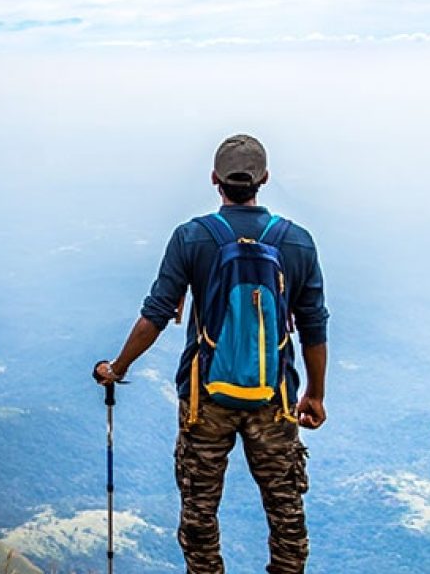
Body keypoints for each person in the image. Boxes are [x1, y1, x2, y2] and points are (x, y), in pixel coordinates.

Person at [94, 134, 329, 574]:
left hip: (205, 401)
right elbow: (314, 327)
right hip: (274, 402)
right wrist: (314, 395)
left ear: (215, 180)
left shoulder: (192, 238)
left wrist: (117, 368)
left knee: (200, 516)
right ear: (264, 179)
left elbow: (155, 316)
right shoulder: (296, 242)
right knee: (286, 519)